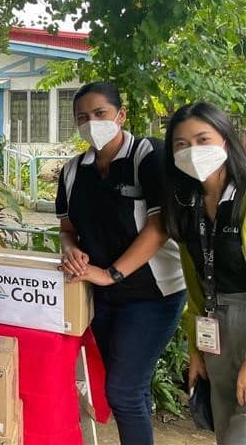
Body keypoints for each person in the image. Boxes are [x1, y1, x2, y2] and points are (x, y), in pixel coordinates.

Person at [56, 82, 186, 445]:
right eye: (83, 117)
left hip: (153, 293)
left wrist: (111, 273)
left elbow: (159, 226)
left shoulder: (149, 156)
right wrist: (71, 250)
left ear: (120, 115)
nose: (91, 123)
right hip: (103, 295)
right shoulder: (72, 171)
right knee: (131, 386)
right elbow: (67, 228)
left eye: (100, 114)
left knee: (124, 392)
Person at [163, 102, 246, 444]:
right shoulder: (186, 205)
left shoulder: (242, 198)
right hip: (214, 325)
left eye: (202, 139)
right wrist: (196, 349)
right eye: (181, 144)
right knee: (225, 425)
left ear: (225, 140)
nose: (192, 151)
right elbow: (196, 283)